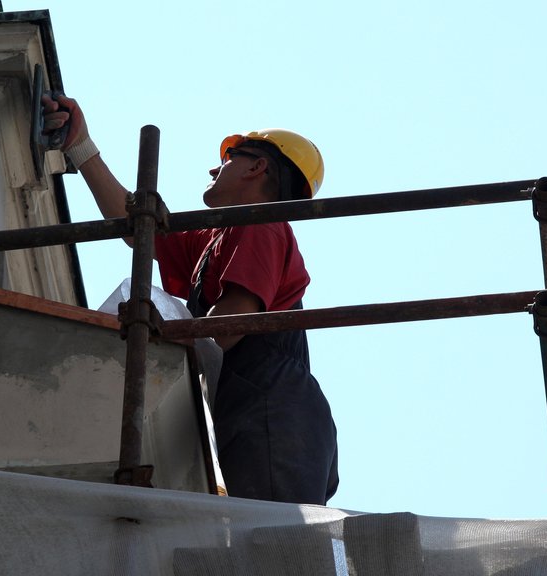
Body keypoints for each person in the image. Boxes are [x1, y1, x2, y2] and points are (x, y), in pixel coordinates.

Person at [43, 95, 339, 505]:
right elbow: (139, 232)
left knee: (277, 545)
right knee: (262, 542)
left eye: (231, 157)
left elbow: (229, 326)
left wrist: (156, 327)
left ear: (258, 167)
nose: (215, 167)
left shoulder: (262, 224)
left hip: (278, 413)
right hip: (257, 408)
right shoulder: (221, 235)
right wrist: (81, 147)